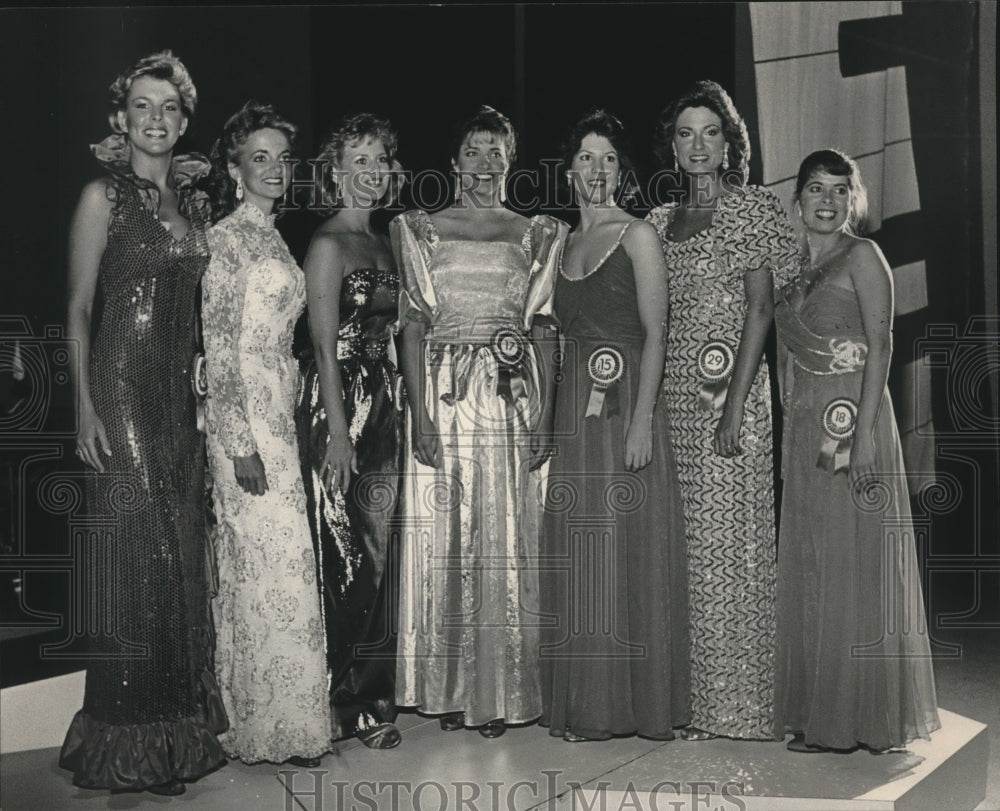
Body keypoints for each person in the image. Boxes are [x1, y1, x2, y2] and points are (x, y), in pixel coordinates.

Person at [60, 50, 226, 796]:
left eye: (168, 110)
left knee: (180, 559)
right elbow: (77, 307)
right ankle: (127, 742)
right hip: (121, 392)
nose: (155, 120)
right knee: (140, 560)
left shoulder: (192, 208)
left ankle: (171, 735)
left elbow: (196, 311)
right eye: (142, 108)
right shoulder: (103, 197)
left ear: (183, 122)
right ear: (120, 121)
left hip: (176, 405)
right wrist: (83, 405)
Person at [391, 106, 566, 739]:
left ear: (511, 160)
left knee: (502, 539)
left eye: (497, 150)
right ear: (455, 161)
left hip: (509, 397)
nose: (486, 162)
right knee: (445, 538)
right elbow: (411, 325)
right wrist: (419, 413)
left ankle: (499, 691)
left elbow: (543, 327)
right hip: (442, 393)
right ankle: (447, 688)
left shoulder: (540, 233)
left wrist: (544, 419)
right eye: (474, 149)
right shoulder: (417, 229)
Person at [645, 80, 800, 741]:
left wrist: (736, 406)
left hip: (732, 401)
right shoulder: (657, 221)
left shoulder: (753, 210)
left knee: (733, 553)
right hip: (675, 401)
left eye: (711, 132)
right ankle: (692, 700)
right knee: (685, 553)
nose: (698, 145)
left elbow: (762, 311)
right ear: (672, 145)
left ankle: (740, 706)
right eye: (686, 132)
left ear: (730, 142)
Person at [773, 149, 940, 753]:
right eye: (816, 189)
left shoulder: (864, 256)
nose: (827, 200)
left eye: (839, 191)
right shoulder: (790, 269)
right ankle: (819, 708)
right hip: (807, 426)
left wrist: (865, 430)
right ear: (798, 200)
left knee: (853, 559)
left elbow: (882, 342)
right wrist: (793, 414)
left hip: (851, 419)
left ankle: (852, 717)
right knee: (817, 557)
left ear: (854, 201)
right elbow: (790, 355)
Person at [540, 110, 689, 742]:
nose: (596, 169)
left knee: (624, 551)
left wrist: (642, 423)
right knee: (583, 552)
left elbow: (657, 332)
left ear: (621, 169)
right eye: (585, 156)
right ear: (568, 168)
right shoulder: (562, 245)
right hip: (577, 413)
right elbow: (553, 340)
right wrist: (546, 424)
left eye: (607, 157)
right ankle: (587, 704)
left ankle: (630, 705)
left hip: (626, 407)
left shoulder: (638, 236)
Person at [202, 101, 331, 766]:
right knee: (263, 560)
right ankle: (263, 721)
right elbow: (219, 348)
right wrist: (239, 441)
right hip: (245, 426)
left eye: (283, 157)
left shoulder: (274, 237)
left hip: (278, 416)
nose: (275, 167)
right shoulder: (226, 238)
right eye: (261, 157)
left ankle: (285, 718)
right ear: (234, 167)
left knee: (279, 565)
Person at [296, 113, 404, 750]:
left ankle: (370, 699)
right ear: (336, 172)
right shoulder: (328, 243)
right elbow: (320, 343)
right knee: (344, 554)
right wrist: (338, 432)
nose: (370, 173)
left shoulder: (387, 241)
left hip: (385, 405)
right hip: (336, 407)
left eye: (379, 161)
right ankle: (343, 707)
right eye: (357, 161)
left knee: (380, 553)